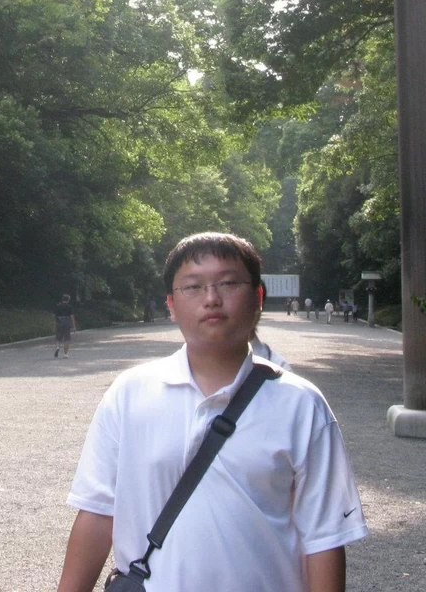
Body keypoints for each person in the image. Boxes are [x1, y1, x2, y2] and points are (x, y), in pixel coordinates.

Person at [56, 232, 367, 592]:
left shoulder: (301, 405)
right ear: (171, 304)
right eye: (193, 287)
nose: (211, 298)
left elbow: (324, 537)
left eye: (229, 283)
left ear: (258, 298)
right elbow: (98, 514)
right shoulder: (129, 394)